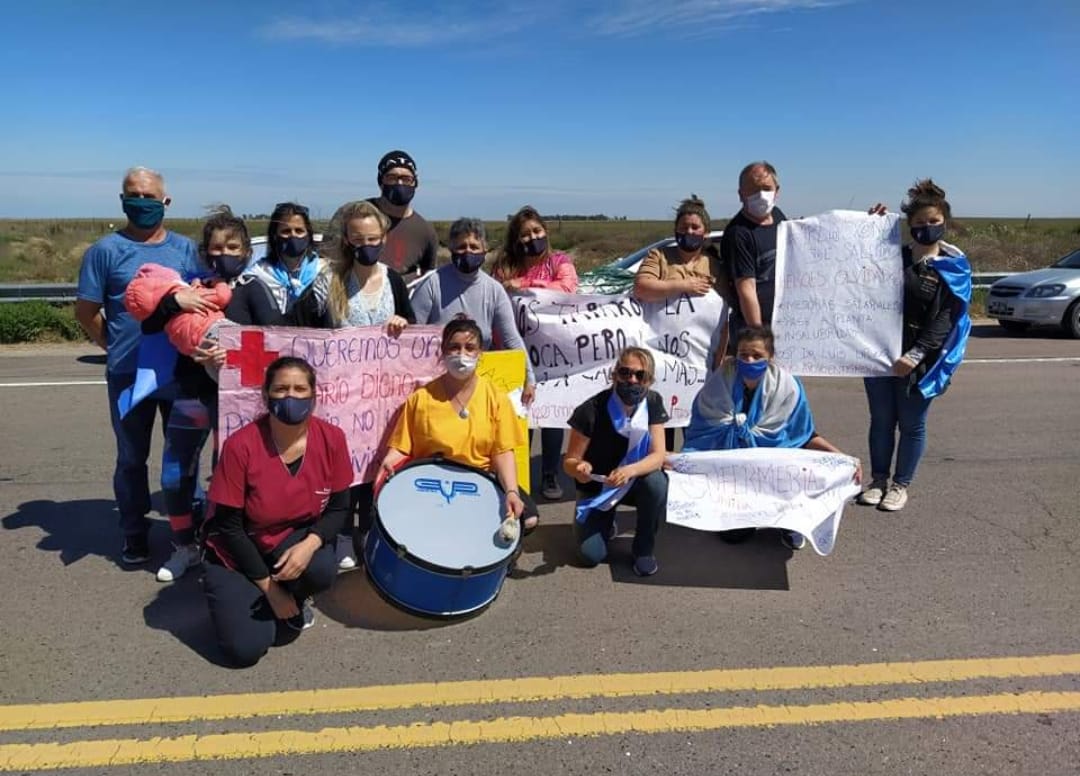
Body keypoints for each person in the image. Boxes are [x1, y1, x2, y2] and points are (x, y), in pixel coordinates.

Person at [75, 166, 199, 565]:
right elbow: (86, 310)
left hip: (181, 372)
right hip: (129, 373)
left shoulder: (186, 250)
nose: (141, 203)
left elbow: (205, 300)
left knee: (185, 457)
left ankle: (188, 531)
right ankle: (134, 531)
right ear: (122, 200)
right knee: (131, 457)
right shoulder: (104, 251)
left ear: (166, 201)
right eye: (133, 195)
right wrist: (114, 347)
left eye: (149, 196)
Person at [202, 357, 351, 668]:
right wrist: (269, 590)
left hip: (288, 538)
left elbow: (339, 508)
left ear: (314, 396)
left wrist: (309, 544)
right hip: (238, 547)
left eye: (300, 389)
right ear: (266, 395)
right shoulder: (240, 445)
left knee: (322, 567)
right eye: (281, 389)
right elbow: (228, 527)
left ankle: (295, 594)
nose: (290, 397)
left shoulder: (332, 438)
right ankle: (256, 593)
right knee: (246, 649)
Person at [134, 207, 253, 582]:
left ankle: (224, 546)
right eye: (215, 248)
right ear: (205, 251)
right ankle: (185, 546)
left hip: (238, 399)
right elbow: (151, 323)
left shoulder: (258, 288)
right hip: (191, 391)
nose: (223, 254)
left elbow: (276, 339)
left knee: (229, 477)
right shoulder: (188, 286)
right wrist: (176, 302)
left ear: (246, 249)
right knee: (174, 474)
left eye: (232, 246)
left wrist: (233, 350)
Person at [683, 326, 861, 550]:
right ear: (735, 355)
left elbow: (803, 436)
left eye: (757, 355)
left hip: (774, 472)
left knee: (797, 465)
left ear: (771, 357)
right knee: (734, 536)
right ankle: (736, 513)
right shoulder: (719, 383)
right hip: (735, 471)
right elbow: (702, 432)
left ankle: (788, 523)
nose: (749, 360)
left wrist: (843, 459)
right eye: (744, 354)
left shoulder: (788, 388)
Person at [858, 180, 971, 512]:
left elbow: (947, 318)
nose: (927, 228)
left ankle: (900, 485)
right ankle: (878, 480)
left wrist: (917, 354)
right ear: (910, 226)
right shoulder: (894, 257)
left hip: (921, 363)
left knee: (911, 424)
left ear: (945, 222)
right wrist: (870, 227)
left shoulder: (953, 267)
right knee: (880, 421)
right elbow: (859, 269)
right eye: (919, 224)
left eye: (933, 222)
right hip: (881, 356)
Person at [321, 199, 416, 570]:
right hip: (343, 394)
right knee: (346, 467)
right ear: (347, 238)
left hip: (385, 395)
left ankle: (374, 531)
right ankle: (343, 536)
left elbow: (413, 329)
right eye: (358, 238)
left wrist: (402, 323)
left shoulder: (393, 280)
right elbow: (306, 331)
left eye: (373, 238)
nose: (366, 245)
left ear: (383, 237)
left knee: (379, 462)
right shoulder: (330, 282)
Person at [380, 318, 539, 533]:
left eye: (469, 347)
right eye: (454, 347)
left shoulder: (496, 398)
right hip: (431, 482)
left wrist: (511, 491)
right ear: (443, 352)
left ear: (480, 353)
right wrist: (389, 463)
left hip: (480, 480)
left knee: (527, 519)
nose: (461, 354)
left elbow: (503, 452)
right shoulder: (421, 399)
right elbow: (401, 448)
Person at [492, 205, 579, 501]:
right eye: (525, 234)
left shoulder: (559, 262)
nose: (532, 238)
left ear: (546, 231)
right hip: (515, 352)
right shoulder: (504, 266)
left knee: (552, 417)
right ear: (516, 240)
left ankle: (550, 473)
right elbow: (495, 295)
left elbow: (567, 288)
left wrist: (527, 285)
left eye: (537, 231)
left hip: (554, 353)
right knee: (520, 415)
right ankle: (519, 475)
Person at [634, 195, 732, 450]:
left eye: (695, 227)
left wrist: (719, 360)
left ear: (705, 232)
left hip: (698, 366)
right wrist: (683, 285)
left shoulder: (715, 266)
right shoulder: (660, 257)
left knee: (695, 430)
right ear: (675, 230)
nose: (688, 232)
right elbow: (642, 288)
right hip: (661, 360)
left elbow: (723, 319)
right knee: (659, 428)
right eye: (683, 227)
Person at [563, 347, 669, 577]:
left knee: (657, 484)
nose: (631, 379)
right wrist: (579, 468)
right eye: (625, 372)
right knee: (590, 556)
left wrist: (630, 470)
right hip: (599, 486)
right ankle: (604, 520)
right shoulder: (591, 410)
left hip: (633, 482)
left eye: (639, 375)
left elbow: (658, 455)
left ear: (649, 381)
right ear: (615, 375)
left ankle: (644, 549)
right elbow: (570, 461)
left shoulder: (652, 402)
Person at [410, 217, 537, 401]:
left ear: (485, 250)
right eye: (461, 246)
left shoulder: (494, 290)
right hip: (435, 382)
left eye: (474, 247)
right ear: (451, 249)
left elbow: (511, 338)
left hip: (478, 381)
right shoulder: (432, 284)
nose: (467, 251)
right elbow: (412, 338)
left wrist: (529, 378)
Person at [229, 201, 329, 326]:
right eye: (286, 231)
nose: (293, 236)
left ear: (308, 235)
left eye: (299, 231)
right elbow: (232, 287)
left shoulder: (326, 271)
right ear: (275, 236)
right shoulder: (259, 272)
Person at [721, 162, 788, 349]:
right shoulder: (738, 233)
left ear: (777, 191)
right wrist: (759, 339)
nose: (761, 195)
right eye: (753, 190)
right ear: (741, 194)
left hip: (786, 329)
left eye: (766, 188)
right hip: (755, 332)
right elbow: (746, 289)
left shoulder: (779, 216)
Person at [364, 150, 439, 277]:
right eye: (392, 178)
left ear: (415, 183)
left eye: (406, 179)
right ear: (381, 182)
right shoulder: (355, 215)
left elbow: (428, 279)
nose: (399, 184)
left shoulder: (426, 231)